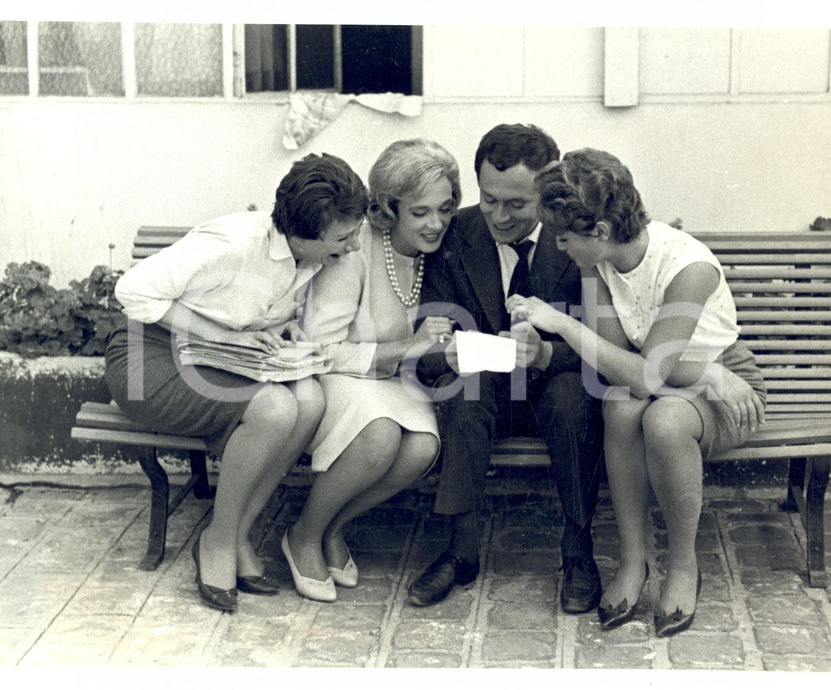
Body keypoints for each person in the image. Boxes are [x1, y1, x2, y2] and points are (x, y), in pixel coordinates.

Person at [507, 147, 766, 636]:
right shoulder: (597, 263)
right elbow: (622, 363)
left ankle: (684, 565)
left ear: (599, 231)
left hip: (727, 388)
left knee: (662, 420)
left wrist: (561, 323)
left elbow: (646, 373)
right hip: (681, 375)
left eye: (564, 237)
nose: (559, 247)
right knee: (621, 407)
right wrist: (682, 371)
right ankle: (633, 561)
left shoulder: (688, 267)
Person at [105, 153, 369, 613]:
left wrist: (281, 326)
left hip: (215, 358)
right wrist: (224, 336)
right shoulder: (232, 243)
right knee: (275, 409)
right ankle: (217, 542)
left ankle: (239, 532)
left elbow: (249, 305)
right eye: (343, 239)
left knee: (308, 399)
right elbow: (132, 291)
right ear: (303, 233)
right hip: (148, 357)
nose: (352, 247)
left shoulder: (307, 255)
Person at [409, 124, 606, 613]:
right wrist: (448, 353)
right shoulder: (456, 235)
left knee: (572, 398)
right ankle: (461, 550)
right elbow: (428, 336)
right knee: (463, 390)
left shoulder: (576, 240)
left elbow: (605, 345)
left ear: (548, 191)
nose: (497, 215)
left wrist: (545, 353)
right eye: (488, 198)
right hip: (483, 387)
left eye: (516, 205)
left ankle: (578, 552)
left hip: (554, 386)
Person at [286, 139, 459, 602]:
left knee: (422, 447)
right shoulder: (354, 250)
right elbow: (321, 347)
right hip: (336, 375)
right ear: (388, 208)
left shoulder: (434, 252)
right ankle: (303, 534)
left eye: (445, 208)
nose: (436, 222)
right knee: (381, 434)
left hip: (390, 381)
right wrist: (408, 347)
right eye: (420, 212)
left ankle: (333, 527)